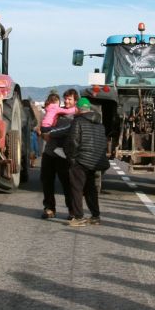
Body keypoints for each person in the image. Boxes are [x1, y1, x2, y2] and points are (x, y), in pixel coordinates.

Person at [64, 97, 107, 227]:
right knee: (91, 189)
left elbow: (73, 142)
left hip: (81, 160)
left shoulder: (78, 122)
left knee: (76, 188)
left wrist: (71, 159)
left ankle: (78, 217)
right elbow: (102, 143)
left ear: (78, 108)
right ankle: (95, 216)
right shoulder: (99, 123)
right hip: (93, 161)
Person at [40, 89, 78, 219]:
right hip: (49, 152)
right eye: (66, 98)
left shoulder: (76, 116)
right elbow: (45, 126)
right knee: (47, 182)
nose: (67, 101)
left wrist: (51, 133)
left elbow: (67, 131)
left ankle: (72, 210)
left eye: (70, 99)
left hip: (64, 155)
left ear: (75, 101)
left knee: (67, 184)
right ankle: (49, 208)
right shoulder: (57, 111)